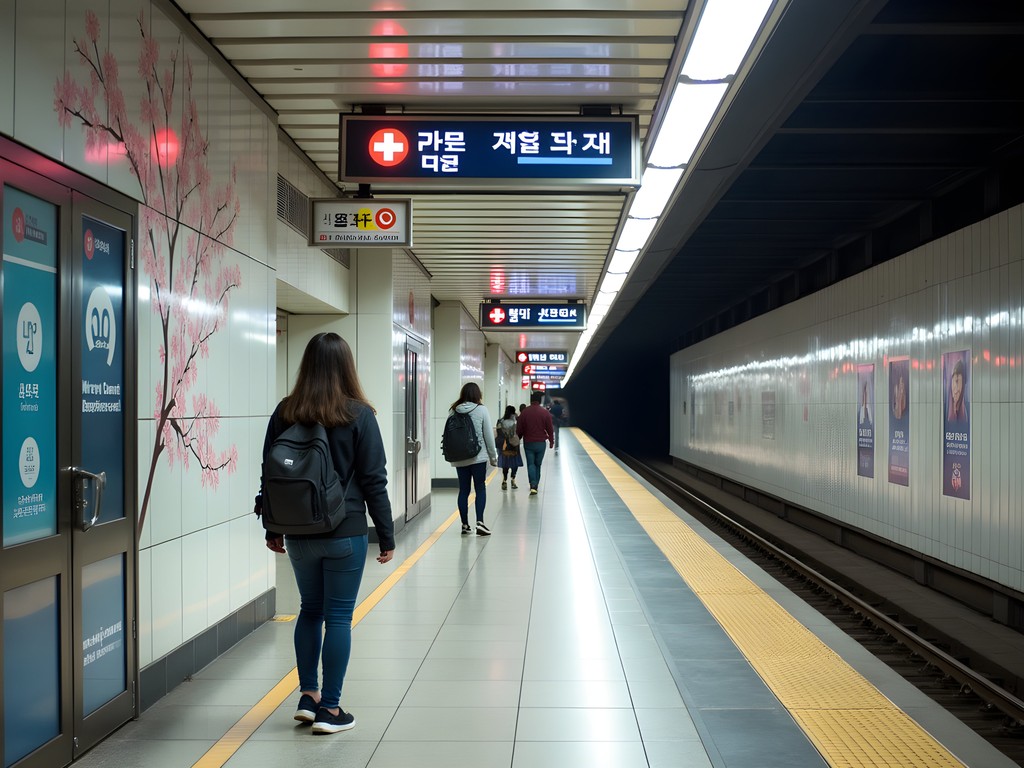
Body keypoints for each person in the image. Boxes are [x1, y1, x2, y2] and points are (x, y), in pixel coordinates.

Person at [262, 332, 395, 735]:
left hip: (299, 532)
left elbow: (269, 474)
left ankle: (308, 696)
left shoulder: (286, 412)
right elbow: (374, 480)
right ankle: (331, 710)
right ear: (346, 367)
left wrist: (272, 526)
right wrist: (386, 535)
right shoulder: (359, 414)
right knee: (338, 617)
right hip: (344, 531)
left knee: (309, 610)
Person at [447, 383, 497, 535]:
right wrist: (493, 457)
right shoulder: (481, 410)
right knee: (480, 488)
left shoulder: (453, 410)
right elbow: (489, 435)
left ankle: (464, 524)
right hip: (478, 457)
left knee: (464, 490)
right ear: (477, 394)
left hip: (460, 457)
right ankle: (480, 522)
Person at [516, 391, 554, 496]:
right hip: (541, 443)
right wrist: (551, 441)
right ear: (540, 400)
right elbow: (550, 429)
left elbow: (519, 428)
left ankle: (533, 485)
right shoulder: (545, 412)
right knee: (538, 464)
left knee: (531, 464)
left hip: (528, 443)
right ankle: (536, 483)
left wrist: (517, 439)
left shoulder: (525, 412)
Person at [495, 405, 523, 490]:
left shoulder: (500, 421)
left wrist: (505, 441)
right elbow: (519, 431)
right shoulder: (516, 421)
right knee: (515, 462)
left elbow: (499, 433)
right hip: (514, 444)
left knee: (505, 463)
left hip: (504, 445)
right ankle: (513, 479)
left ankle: (504, 480)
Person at [946, 358, 968, 422]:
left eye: (958, 381)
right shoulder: (947, 410)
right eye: (954, 381)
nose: (955, 391)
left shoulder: (965, 414)